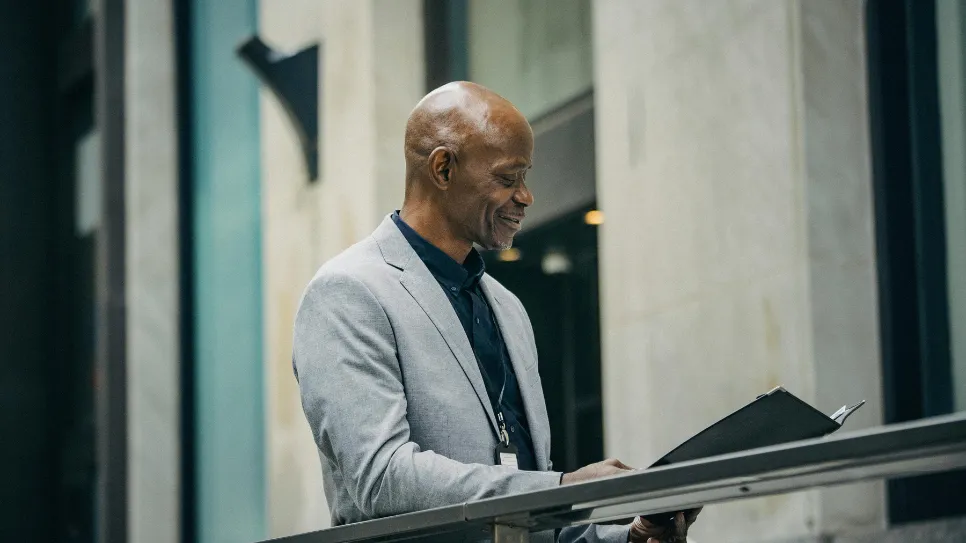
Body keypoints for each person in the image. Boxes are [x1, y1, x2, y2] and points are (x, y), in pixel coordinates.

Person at [292, 82, 700, 542]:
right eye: (508, 178)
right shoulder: (348, 293)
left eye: (525, 178)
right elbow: (382, 477)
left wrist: (628, 538)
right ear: (442, 168)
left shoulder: (508, 308)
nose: (526, 196)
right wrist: (562, 489)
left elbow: (527, 525)